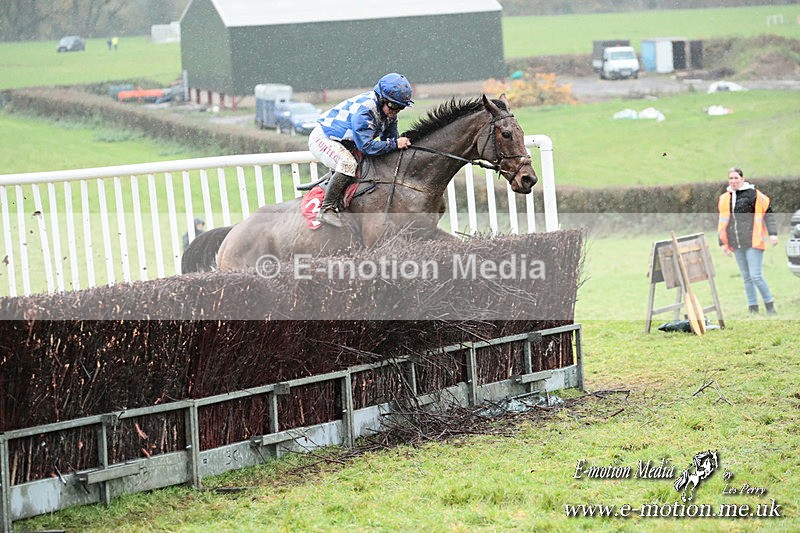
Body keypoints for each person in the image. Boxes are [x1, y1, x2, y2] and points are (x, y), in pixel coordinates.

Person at [307, 73, 414, 227]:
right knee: (347, 163)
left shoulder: (388, 112)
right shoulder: (366, 111)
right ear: (382, 99)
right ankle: (326, 208)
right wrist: (395, 144)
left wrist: (398, 144)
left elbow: (389, 143)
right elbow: (367, 146)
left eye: (401, 107)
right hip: (324, 138)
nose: (396, 110)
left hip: (346, 142)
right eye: (393, 105)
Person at [717, 167, 779, 315]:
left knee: (755, 276)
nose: (733, 181)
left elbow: (768, 214)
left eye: (736, 178)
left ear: (742, 179)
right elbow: (722, 221)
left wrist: (773, 234)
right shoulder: (725, 198)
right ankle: (753, 309)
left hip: (754, 241)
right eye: (731, 178)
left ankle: (770, 307)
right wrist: (723, 243)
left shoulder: (754, 195)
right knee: (746, 277)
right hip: (736, 243)